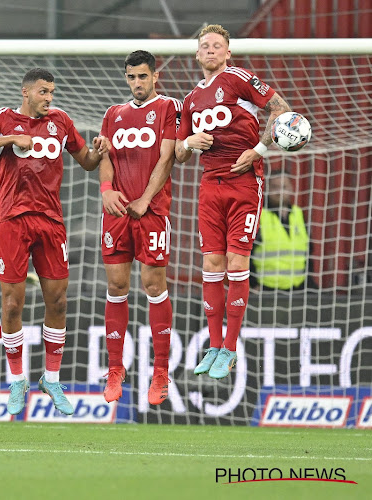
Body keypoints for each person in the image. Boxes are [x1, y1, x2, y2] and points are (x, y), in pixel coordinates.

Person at [0, 68, 109, 416]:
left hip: (51, 221)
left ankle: (51, 378)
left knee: (57, 300)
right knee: (12, 305)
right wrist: (9, 140)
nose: (49, 98)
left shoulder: (61, 121)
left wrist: (99, 151)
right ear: (25, 92)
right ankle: (17, 379)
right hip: (11, 220)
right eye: (43, 92)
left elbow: (86, 161)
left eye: (52, 92)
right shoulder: (3, 118)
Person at [175, 24, 292, 379]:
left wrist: (257, 149)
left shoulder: (240, 79)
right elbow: (179, 154)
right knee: (211, 264)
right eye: (204, 46)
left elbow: (281, 109)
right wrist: (189, 143)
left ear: (228, 53)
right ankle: (213, 346)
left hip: (244, 182)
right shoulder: (191, 99)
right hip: (210, 185)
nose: (210, 50)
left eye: (217, 45)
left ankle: (230, 347)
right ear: (197, 55)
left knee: (236, 260)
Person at [99, 50, 180, 406]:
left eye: (142, 77)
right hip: (117, 213)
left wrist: (147, 198)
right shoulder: (113, 114)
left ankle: (160, 371)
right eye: (131, 77)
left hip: (152, 211)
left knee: (153, 284)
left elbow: (167, 157)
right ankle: (115, 368)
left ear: (155, 76)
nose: (137, 83)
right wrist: (105, 190)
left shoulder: (167, 108)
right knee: (116, 285)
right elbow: (105, 158)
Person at [250, 169, 312, 290]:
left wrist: (308, 283)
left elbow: (308, 251)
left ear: (291, 189)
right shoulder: (258, 215)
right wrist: (252, 284)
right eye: (275, 187)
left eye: (284, 187)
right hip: (266, 288)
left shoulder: (298, 214)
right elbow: (244, 254)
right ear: (267, 189)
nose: (280, 192)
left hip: (298, 287)